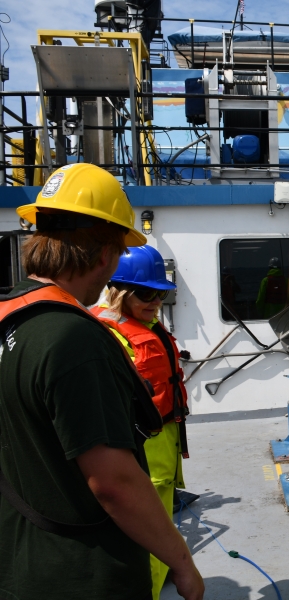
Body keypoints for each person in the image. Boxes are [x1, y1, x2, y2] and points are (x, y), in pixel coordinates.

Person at [0, 163, 203, 600]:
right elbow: (113, 483)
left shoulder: (8, 318)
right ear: (105, 252)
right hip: (80, 573)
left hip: (20, 560)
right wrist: (181, 562)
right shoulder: (74, 339)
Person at [93, 244, 189, 600]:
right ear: (119, 292)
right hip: (141, 458)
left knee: (160, 526)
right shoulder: (110, 335)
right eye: (145, 293)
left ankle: (158, 576)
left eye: (160, 294)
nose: (154, 302)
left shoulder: (144, 326)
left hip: (163, 453)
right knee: (148, 532)